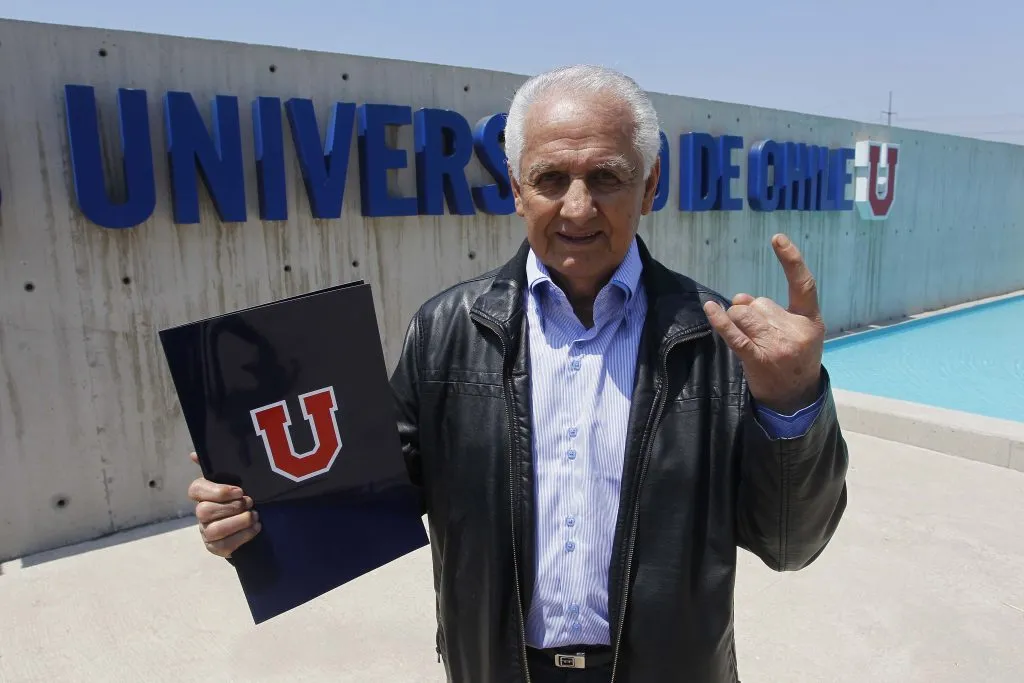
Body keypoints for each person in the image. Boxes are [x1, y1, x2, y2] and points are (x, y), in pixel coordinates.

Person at [187, 65, 848, 683]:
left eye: (607, 178)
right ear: (516, 189)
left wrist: (792, 401)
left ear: (650, 184)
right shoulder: (445, 332)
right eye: (551, 179)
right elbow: (371, 495)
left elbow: (792, 542)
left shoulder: (715, 344)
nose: (578, 207)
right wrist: (257, 514)